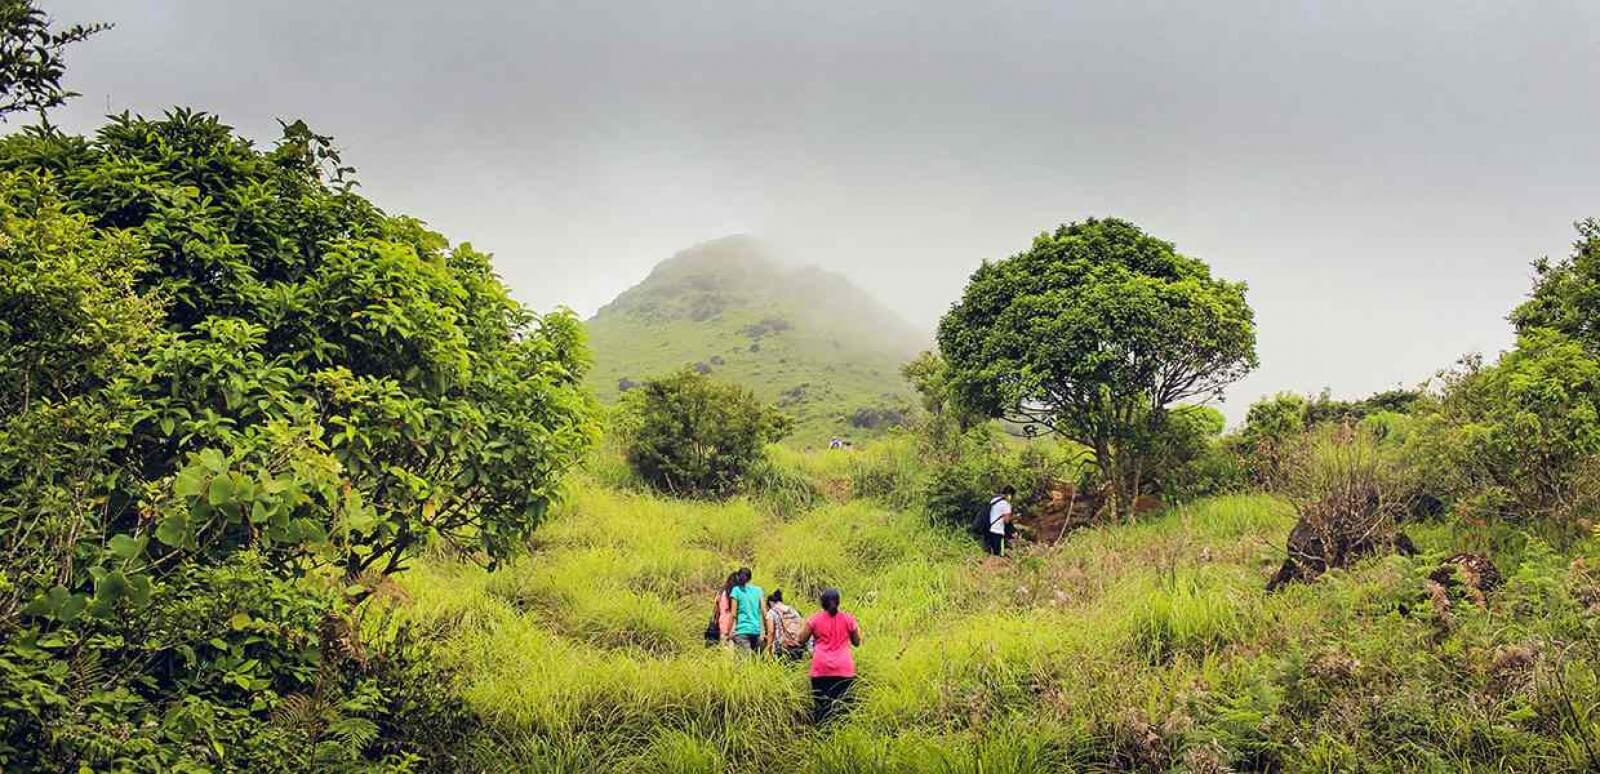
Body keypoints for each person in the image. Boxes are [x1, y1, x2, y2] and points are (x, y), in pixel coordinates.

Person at [798, 587, 860, 724]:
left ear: (822, 603)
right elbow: (857, 642)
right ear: (838, 602)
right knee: (844, 709)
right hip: (844, 669)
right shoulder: (848, 619)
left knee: (822, 709)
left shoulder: (814, 619)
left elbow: (801, 639)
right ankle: (843, 737)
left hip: (821, 669)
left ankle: (823, 739)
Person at [727, 567, 768, 651]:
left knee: (744, 661)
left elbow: (733, 614)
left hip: (742, 631)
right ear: (750, 578)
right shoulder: (758, 590)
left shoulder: (736, 590)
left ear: (738, 577)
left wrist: (729, 631)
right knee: (757, 661)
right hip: (756, 631)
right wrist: (767, 631)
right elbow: (764, 612)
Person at [765, 589, 807, 660]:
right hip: (797, 644)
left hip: (783, 646)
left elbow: (771, 632)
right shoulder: (792, 610)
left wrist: (768, 650)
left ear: (770, 602)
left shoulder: (771, 612)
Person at [707, 571, 740, 646]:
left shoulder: (721, 593)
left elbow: (716, 610)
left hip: (723, 625)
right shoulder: (739, 594)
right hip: (737, 627)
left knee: (725, 651)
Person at [985, 485, 1016, 557]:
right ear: (1010, 495)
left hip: (989, 529)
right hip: (998, 532)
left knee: (991, 554)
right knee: (999, 556)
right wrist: (1014, 517)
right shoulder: (1006, 505)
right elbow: (1006, 521)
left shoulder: (994, 500)